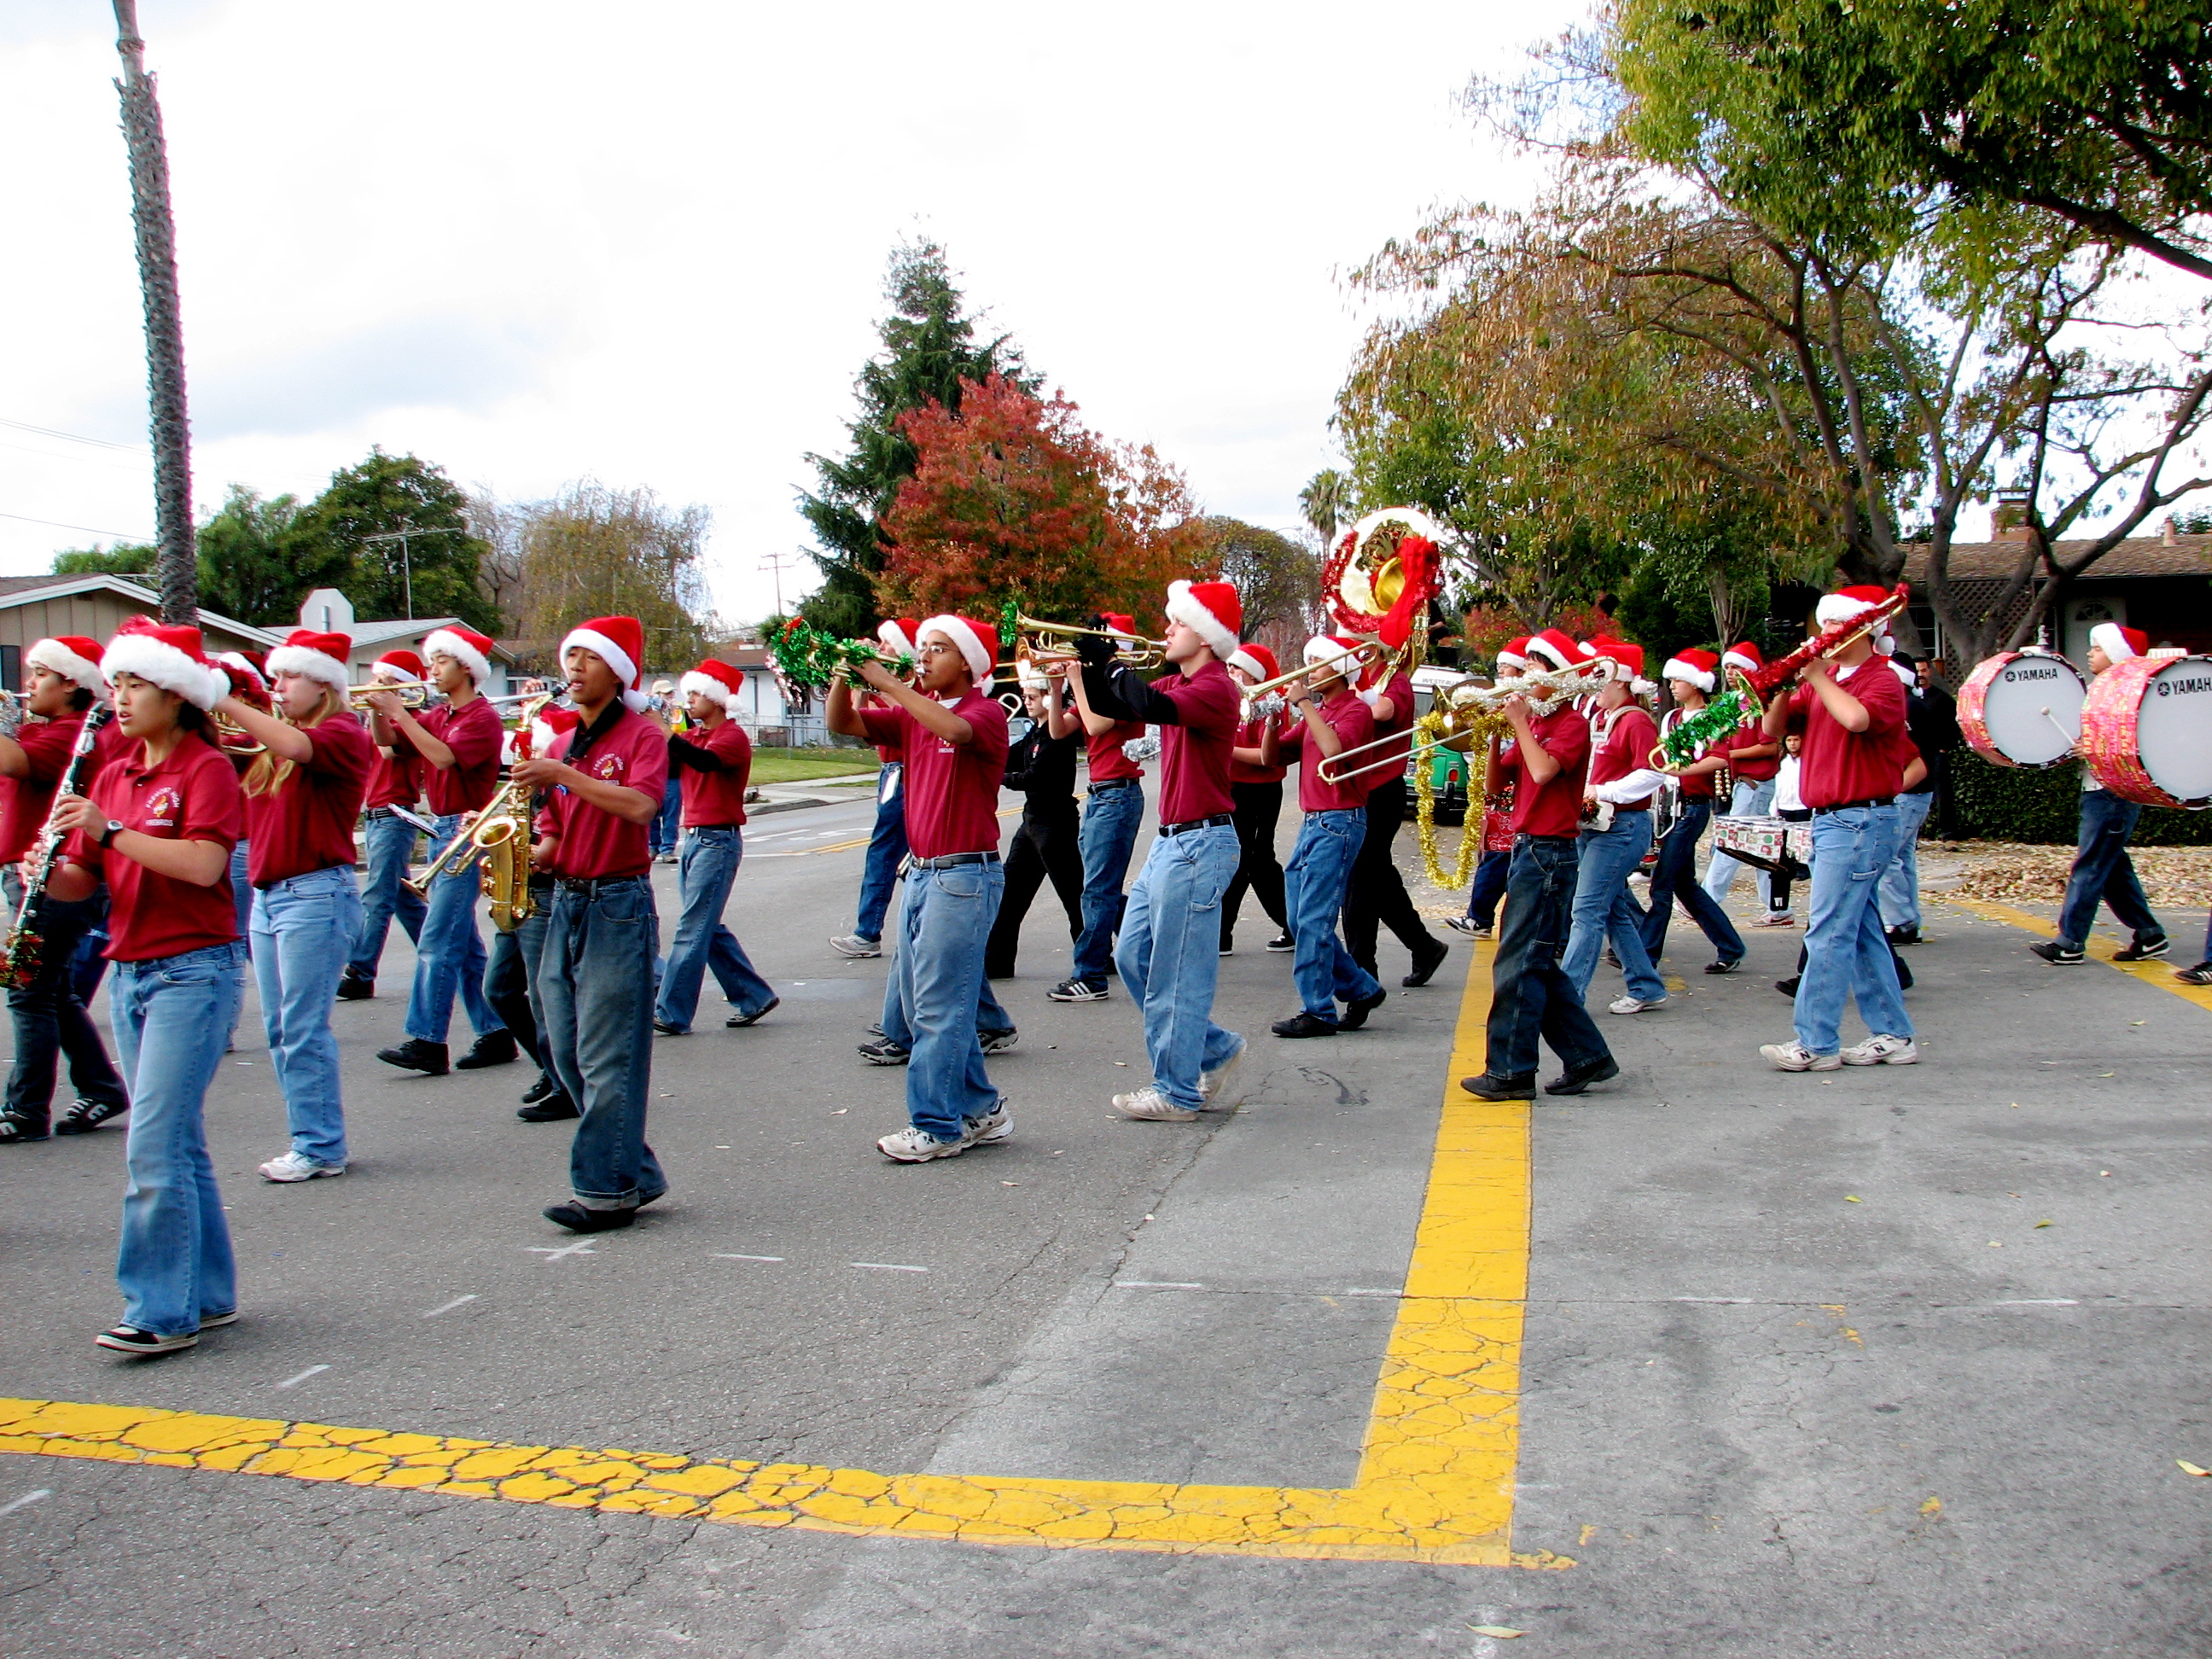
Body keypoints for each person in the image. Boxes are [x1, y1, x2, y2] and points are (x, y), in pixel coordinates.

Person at [44, 619, 244, 1353]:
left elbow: (202, 867)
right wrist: (43, 873)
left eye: (134, 683)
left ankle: (160, 1311)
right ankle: (211, 1294)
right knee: (178, 1142)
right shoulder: (113, 771)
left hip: (193, 968)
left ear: (176, 693)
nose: (119, 697)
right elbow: (81, 878)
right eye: (117, 683)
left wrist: (107, 834)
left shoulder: (205, 769)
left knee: (151, 1145)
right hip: (130, 968)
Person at [828, 614, 1013, 1161]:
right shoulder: (913, 714)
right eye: (924, 648)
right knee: (925, 1004)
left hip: (964, 876)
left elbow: (954, 731)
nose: (924, 657)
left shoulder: (984, 713)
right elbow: (843, 723)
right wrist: (846, 672)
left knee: (940, 1008)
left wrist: (888, 683)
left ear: (969, 663)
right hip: (925, 873)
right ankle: (981, 1108)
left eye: (938, 649)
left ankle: (938, 1126)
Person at [1072, 581, 1249, 1122]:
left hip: (1201, 841)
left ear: (1206, 636)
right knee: (1130, 955)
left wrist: (1113, 662)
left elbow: (1146, 702)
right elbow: (1113, 705)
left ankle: (1176, 1091)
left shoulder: (1216, 687)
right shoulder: (1181, 679)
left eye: (1177, 623)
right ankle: (1214, 1049)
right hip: (1172, 842)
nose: (1167, 630)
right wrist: (1089, 663)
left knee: (1177, 971)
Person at [516, 617, 670, 1231]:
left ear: (618, 670)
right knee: (563, 1044)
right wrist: (531, 845)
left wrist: (565, 778)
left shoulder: (643, 736)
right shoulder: (561, 743)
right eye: (570, 656)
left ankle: (605, 1191)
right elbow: (554, 826)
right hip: (567, 899)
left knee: (608, 1054)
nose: (574, 667)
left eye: (588, 657)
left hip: (617, 902)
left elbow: (640, 806)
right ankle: (635, 1169)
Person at [214, 630, 372, 1183]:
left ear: (323, 682)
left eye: (287, 676)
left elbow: (296, 747)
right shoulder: (279, 744)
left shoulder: (342, 732)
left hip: (313, 894)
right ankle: (312, 1139)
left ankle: (321, 1146)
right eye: (274, 678)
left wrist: (224, 697)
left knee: (302, 1028)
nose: (276, 687)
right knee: (284, 1028)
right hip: (270, 896)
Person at [1757, 586, 1917, 1071]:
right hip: (1833, 820)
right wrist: (1782, 686)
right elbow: (1769, 732)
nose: (1822, 634)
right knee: (1862, 930)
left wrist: (1817, 676)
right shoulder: (1825, 680)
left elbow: (1858, 718)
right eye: (1822, 626)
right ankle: (1893, 1034)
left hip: (1861, 818)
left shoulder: (1882, 680)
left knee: (1826, 932)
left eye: (1833, 626)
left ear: (1861, 629)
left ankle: (1816, 1043)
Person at [1459, 629, 1616, 1100]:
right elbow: (1495, 785)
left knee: (1519, 963)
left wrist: (1522, 724)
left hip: (1550, 852)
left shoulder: (1569, 723)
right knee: (1536, 962)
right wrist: (1492, 734)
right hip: (1527, 848)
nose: (1526, 678)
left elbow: (1545, 772)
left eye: (1536, 668)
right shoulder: (1534, 724)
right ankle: (1588, 1057)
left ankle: (1510, 1071)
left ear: (1562, 678)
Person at [367, 626, 514, 1075]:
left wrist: (401, 712)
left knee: (436, 938)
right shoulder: (441, 713)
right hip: (441, 827)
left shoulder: (481, 717)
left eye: (441, 662)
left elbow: (445, 758)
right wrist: (378, 709)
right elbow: (389, 746)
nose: (432, 670)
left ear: (466, 668)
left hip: (467, 826)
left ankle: (428, 1040)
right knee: (463, 943)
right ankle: (495, 1031)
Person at [0, 636, 130, 1144]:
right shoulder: (47, 730)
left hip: (54, 878)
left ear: (72, 682)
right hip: (32, 874)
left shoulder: (72, 733)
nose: (28, 684)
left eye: (40, 673)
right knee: (51, 990)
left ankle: (26, 1109)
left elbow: (11, 763)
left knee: (26, 989)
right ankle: (101, 1086)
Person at [1259, 635, 1388, 1038]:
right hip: (1314, 822)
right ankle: (1362, 988)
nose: (1310, 668)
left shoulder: (1354, 710)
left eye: (1318, 662)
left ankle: (1317, 1010)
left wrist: (1302, 704)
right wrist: (1271, 719)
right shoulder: (1319, 711)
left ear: (1342, 669)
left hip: (1340, 821)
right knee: (1298, 920)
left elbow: (1335, 751)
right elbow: (1271, 757)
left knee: (1314, 920)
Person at [2032, 622, 2170, 967]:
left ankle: (2070, 942)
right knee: (2109, 868)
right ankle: (2150, 935)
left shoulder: (2131, 696)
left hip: (2113, 793)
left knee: (2091, 866)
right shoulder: (2103, 691)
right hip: (2102, 791)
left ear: (2118, 654)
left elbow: (2137, 744)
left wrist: (2092, 749)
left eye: (2098, 648)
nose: (2090, 654)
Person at [654, 659, 778, 1034]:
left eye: (695, 693)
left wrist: (666, 734)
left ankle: (672, 1011)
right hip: (693, 839)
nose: (688, 700)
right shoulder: (692, 736)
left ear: (717, 698)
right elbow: (671, 761)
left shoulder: (732, 737)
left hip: (717, 840)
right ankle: (752, 995)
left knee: (692, 927)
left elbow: (705, 763)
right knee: (706, 926)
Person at [1559, 639, 1670, 1016]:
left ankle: (1569, 996)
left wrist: (1601, 790)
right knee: (1611, 909)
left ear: (1621, 682)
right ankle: (1645, 985)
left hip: (1620, 825)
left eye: (1600, 679)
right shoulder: (1606, 719)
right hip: (1600, 823)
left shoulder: (1635, 720)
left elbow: (1656, 772)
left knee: (1587, 910)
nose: (1593, 687)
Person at [1049, 612, 1152, 1004]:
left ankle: (1091, 975)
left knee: (1098, 888)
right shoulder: (1095, 687)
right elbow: (1059, 731)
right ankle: (1149, 939)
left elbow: (1095, 727)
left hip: (1119, 795)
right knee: (1097, 886)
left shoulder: (1125, 688)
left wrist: (1076, 680)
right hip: (1099, 795)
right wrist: (1058, 687)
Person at [1337, 642, 1451, 989]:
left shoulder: (1394, 679)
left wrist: (1353, 690)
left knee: (1359, 886)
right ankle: (1424, 946)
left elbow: (1383, 711)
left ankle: (1363, 977)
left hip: (1381, 790)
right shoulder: (1360, 677)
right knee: (1378, 880)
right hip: (1359, 788)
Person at [495, 697, 579, 1124]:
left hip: (543, 896)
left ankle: (565, 1082)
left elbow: (560, 844)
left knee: (548, 996)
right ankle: (553, 1071)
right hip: (515, 897)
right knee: (499, 990)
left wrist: (522, 851)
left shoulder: (560, 789)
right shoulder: (526, 791)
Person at [1640, 647, 1747, 975]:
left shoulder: (1711, 718)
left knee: (1662, 883)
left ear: (1696, 684)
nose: (1672, 685)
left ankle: (1646, 954)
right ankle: (1730, 945)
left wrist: (1682, 771)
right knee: (1684, 884)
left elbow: (1721, 758)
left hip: (1693, 807)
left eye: (1679, 679)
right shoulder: (1672, 718)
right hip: (1670, 807)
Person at [337, 649, 430, 1000]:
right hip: (376, 814)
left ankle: (361, 972)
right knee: (402, 896)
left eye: (384, 680)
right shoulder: (378, 718)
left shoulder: (411, 719)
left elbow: (389, 750)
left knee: (377, 894)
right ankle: (442, 954)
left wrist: (385, 706)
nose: (374, 686)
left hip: (395, 813)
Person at [983, 661, 1085, 980]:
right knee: (1010, 893)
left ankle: (1100, 956)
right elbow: (1007, 754)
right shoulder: (1035, 734)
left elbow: (1035, 777)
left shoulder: (1059, 733)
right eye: (1024, 695)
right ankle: (997, 962)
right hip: (1032, 824)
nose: (1025, 700)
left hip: (1056, 824)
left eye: (1032, 695)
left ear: (1048, 696)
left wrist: (998, 777)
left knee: (1075, 896)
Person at [830, 618, 919, 960]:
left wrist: (880, 681)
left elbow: (907, 713)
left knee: (885, 853)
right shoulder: (891, 684)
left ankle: (868, 932)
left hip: (906, 771)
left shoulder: (912, 685)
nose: (881, 650)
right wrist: (858, 684)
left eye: (888, 644)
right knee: (902, 855)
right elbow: (854, 722)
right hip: (891, 771)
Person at [1700, 641, 1787, 924]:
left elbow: (1770, 746)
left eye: (1736, 667)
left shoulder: (1761, 701)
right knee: (1760, 846)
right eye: (1727, 668)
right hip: (1745, 783)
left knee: (1732, 842)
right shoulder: (1735, 703)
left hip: (1755, 782)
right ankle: (1777, 908)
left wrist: (1730, 755)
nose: (1731, 673)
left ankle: (1708, 898)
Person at [1448, 639, 1527, 940]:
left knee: (1497, 856)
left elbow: (1510, 751)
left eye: (1506, 666)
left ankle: (1479, 917)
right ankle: (1480, 915)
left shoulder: (1520, 706)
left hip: (1509, 793)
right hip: (1495, 790)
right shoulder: (1502, 702)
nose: (1501, 671)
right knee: (1491, 853)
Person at [1220, 644, 1292, 955]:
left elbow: (1266, 757)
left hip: (1261, 790)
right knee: (1239, 860)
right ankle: (1222, 933)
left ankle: (1295, 925)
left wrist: (1223, 750)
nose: (1231, 673)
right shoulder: (1233, 698)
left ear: (1254, 672)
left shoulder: (1270, 701)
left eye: (1237, 668)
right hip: (1234, 787)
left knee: (1257, 861)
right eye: (1231, 667)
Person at [1877, 647, 1947, 946]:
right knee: (1903, 858)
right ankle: (1908, 918)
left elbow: (1911, 755)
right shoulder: (1911, 703)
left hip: (1908, 790)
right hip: (1916, 791)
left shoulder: (1906, 707)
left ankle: (1902, 920)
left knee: (1888, 856)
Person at [647, 678, 684, 863]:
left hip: (674, 772)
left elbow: (689, 736)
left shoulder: (679, 715)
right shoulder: (646, 715)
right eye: (666, 694)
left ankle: (668, 849)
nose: (670, 697)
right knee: (651, 812)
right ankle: (653, 847)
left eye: (671, 693)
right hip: (652, 774)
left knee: (671, 814)